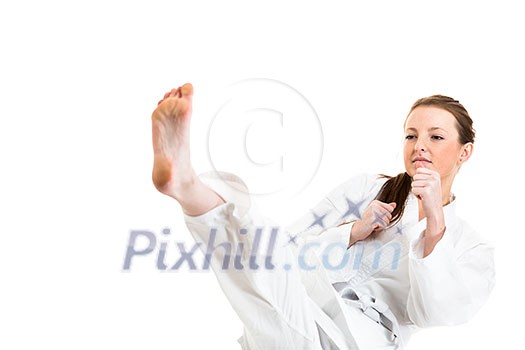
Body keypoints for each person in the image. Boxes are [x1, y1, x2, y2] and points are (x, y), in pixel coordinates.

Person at [150, 83, 495, 349]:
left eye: (436, 136)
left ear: (465, 152)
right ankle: (187, 186)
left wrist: (435, 223)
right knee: (266, 253)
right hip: (300, 303)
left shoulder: (471, 247)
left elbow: (436, 312)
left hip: (359, 341)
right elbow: (290, 247)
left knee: (279, 314)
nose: (420, 145)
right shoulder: (366, 189)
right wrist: (351, 232)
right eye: (411, 135)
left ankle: (191, 190)